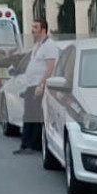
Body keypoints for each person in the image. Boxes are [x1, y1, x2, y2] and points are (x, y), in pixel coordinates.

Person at [14, 17, 59, 155]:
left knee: (33, 115)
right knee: (30, 114)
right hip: (31, 84)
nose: (32, 30)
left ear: (43, 29)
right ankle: (31, 144)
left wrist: (41, 85)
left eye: (35, 28)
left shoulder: (49, 46)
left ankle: (29, 144)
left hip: (39, 86)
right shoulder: (38, 45)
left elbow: (50, 67)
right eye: (32, 27)